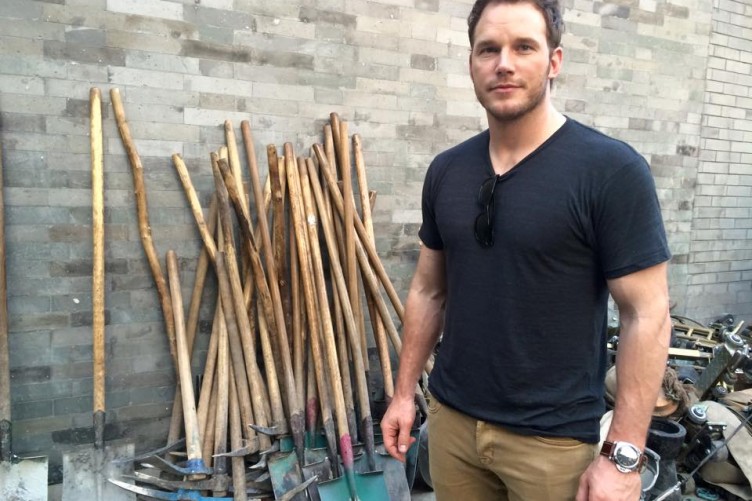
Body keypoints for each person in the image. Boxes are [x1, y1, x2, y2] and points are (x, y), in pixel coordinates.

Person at [380, 0, 672, 500]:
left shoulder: (610, 172)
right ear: (471, 62)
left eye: (523, 47)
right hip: (452, 425)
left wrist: (623, 455)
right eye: (488, 49)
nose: (504, 64)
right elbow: (428, 292)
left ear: (554, 61)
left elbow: (647, 314)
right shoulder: (447, 171)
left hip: (553, 443)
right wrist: (405, 394)